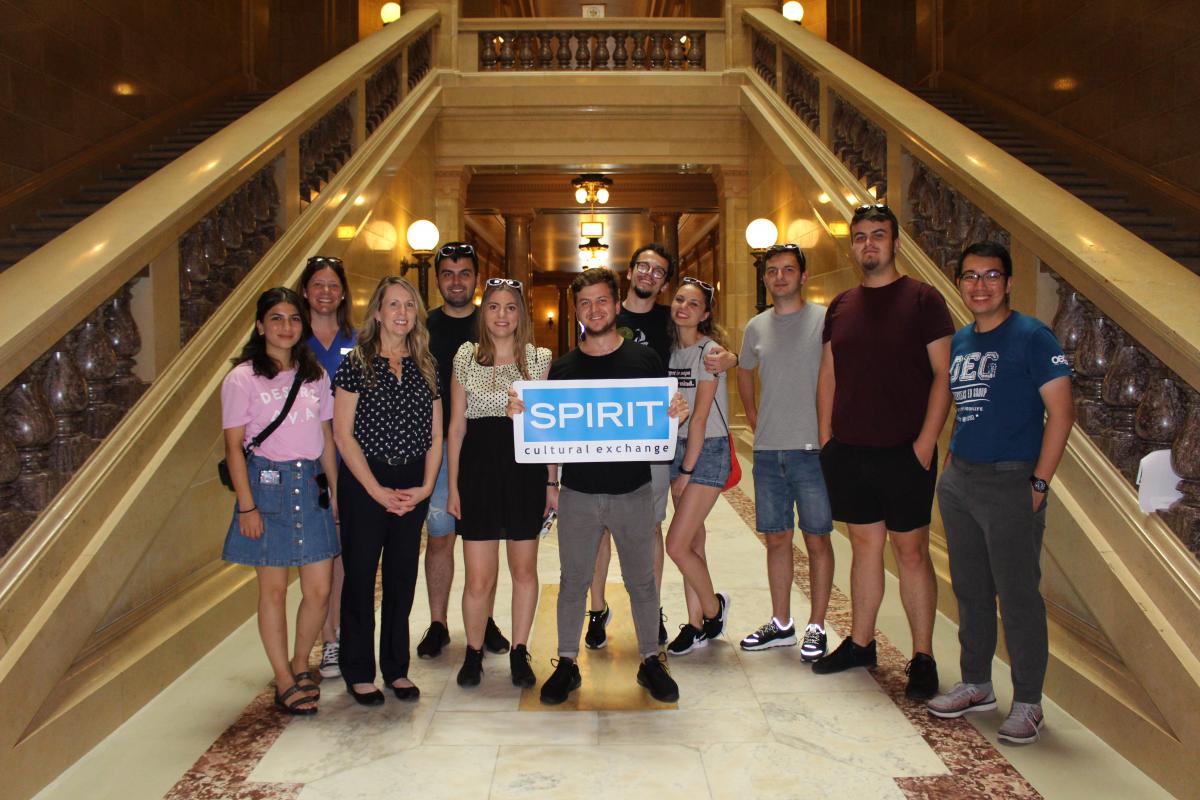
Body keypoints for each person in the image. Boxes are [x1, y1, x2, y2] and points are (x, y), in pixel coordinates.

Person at [508, 267, 688, 705]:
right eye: (585, 302)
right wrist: (526, 417)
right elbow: (550, 431)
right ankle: (567, 664)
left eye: (601, 300)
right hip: (580, 493)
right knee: (573, 581)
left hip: (633, 490)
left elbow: (660, 415)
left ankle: (650, 661)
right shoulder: (565, 367)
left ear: (615, 303)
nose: (594, 309)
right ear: (577, 310)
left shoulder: (644, 361)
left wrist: (675, 411)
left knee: (642, 581)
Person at [926, 241, 1073, 745]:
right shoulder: (961, 341)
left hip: (1012, 480)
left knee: (1017, 597)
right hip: (961, 480)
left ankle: (1028, 701)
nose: (980, 285)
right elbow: (964, 409)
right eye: (970, 276)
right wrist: (949, 468)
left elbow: (1063, 412)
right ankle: (976, 684)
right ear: (960, 283)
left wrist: (1039, 481)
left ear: (1008, 283)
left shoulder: (1031, 336)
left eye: (991, 275)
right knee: (969, 589)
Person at [813, 203, 953, 701]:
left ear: (895, 243)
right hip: (849, 450)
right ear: (851, 245)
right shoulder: (842, 305)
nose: (868, 244)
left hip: (904, 452)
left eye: (878, 235)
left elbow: (944, 375)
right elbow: (829, 373)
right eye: (859, 237)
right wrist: (827, 436)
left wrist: (924, 443)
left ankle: (922, 656)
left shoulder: (923, 300)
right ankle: (861, 642)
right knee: (864, 547)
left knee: (911, 552)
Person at [587, 244, 735, 650]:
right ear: (630, 270)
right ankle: (597, 610)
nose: (649, 275)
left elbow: (711, 354)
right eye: (644, 267)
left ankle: (671, 615)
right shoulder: (607, 312)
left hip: (663, 446)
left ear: (664, 281)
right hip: (610, 439)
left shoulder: (669, 321)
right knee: (601, 528)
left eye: (659, 271)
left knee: (670, 534)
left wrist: (731, 357)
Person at [220, 287, 338, 715]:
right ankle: (284, 678)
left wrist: (336, 493)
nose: (286, 327)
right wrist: (247, 507)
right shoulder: (242, 378)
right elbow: (234, 447)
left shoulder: (316, 376)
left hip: (310, 484)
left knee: (320, 589)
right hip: (267, 486)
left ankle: (300, 660)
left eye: (293, 318)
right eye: (276, 318)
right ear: (260, 326)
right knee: (272, 590)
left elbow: (326, 438)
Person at [333, 276, 441, 705]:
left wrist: (428, 486)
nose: (401, 313)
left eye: (409, 306)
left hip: (413, 482)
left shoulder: (426, 364)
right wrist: (377, 491)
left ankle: (396, 669)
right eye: (393, 305)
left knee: (402, 576)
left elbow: (435, 436)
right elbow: (343, 435)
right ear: (377, 311)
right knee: (360, 576)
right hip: (365, 483)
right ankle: (359, 671)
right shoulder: (355, 362)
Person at [447, 278, 554, 689]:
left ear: (521, 314)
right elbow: (456, 427)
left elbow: (548, 431)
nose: (502, 315)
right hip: (477, 474)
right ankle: (473, 652)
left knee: (523, 569)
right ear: (483, 312)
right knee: (478, 576)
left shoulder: (539, 360)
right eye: (493, 307)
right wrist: (453, 486)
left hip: (523, 474)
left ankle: (519, 651)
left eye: (510, 307)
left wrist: (551, 483)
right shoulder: (464, 357)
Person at [734, 244, 835, 660]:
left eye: (787, 270)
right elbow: (743, 370)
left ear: (803, 276)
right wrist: (754, 414)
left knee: (817, 539)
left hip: (812, 450)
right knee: (777, 538)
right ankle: (781, 623)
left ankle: (816, 625)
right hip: (769, 450)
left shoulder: (825, 321)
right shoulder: (756, 327)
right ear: (764, 279)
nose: (779, 277)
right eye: (772, 271)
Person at [419, 242, 510, 659]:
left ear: (476, 278)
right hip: (436, 448)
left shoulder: (491, 322)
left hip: (485, 452)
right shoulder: (422, 326)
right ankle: (438, 623)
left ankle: (484, 620)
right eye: (448, 274)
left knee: (483, 542)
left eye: (464, 273)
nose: (456, 281)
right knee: (440, 539)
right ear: (438, 279)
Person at [663, 277, 731, 655]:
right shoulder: (671, 352)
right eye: (679, 300)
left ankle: (713, 610)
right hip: (677, 448)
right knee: (692, 541)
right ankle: (693, 625)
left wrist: (686, 472)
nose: (683, 307)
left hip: (706, 451)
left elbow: (701, 417)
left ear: (705, 314)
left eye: (693, 304)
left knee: (676, 543)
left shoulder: (711, 353)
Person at [297, 255, 355, 680]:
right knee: (325, 551)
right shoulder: (292, 342)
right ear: (305, 291)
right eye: (318, 284)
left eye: (333, 285)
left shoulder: (357, 339)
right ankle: (330, 640)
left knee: (348, 553)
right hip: (309, 459)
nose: (325, 292)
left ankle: (344, 633)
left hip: (354, 456)